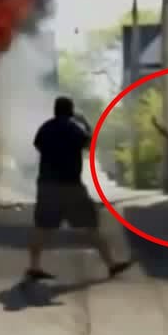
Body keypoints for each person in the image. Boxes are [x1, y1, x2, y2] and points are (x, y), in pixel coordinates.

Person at [27, 96, 135, 281]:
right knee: (90, 225)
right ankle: (111, 264)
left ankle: (34, 266)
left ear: (55, 110)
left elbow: (38, 146)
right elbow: (90, 143)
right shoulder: (73, 128)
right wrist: (84, 122)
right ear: (71, 111)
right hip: (71, 186)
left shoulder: (45, 128)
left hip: (47, 185)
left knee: (42, 227)